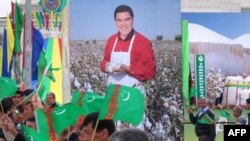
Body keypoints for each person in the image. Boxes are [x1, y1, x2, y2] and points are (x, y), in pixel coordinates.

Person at [100, 5, 156, 90]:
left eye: (127, 19)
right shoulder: (111, 40)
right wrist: (107, 66)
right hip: (112, 94)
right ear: (115, 21)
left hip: (133, 96)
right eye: (119, 20)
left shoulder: (143, 42)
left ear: (133, 19)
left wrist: (128, 69)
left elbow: (150, 72)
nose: (123, 24)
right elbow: (104, 62)